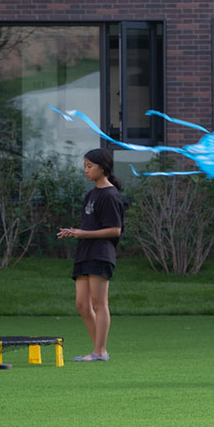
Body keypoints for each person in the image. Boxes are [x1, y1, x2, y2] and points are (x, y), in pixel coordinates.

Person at [57, 148, 125, 362]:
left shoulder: (111, 195)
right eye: (84, 166)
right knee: (82, 305)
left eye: (89, 166)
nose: (85, 170)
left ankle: (99, 351)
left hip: (101, 254)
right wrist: (75, 232)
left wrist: (83, 233)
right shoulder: (91, 194)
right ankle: (99, 350)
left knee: (99, 302)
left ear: (102, 168)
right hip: (84, 252)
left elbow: (115, 230)